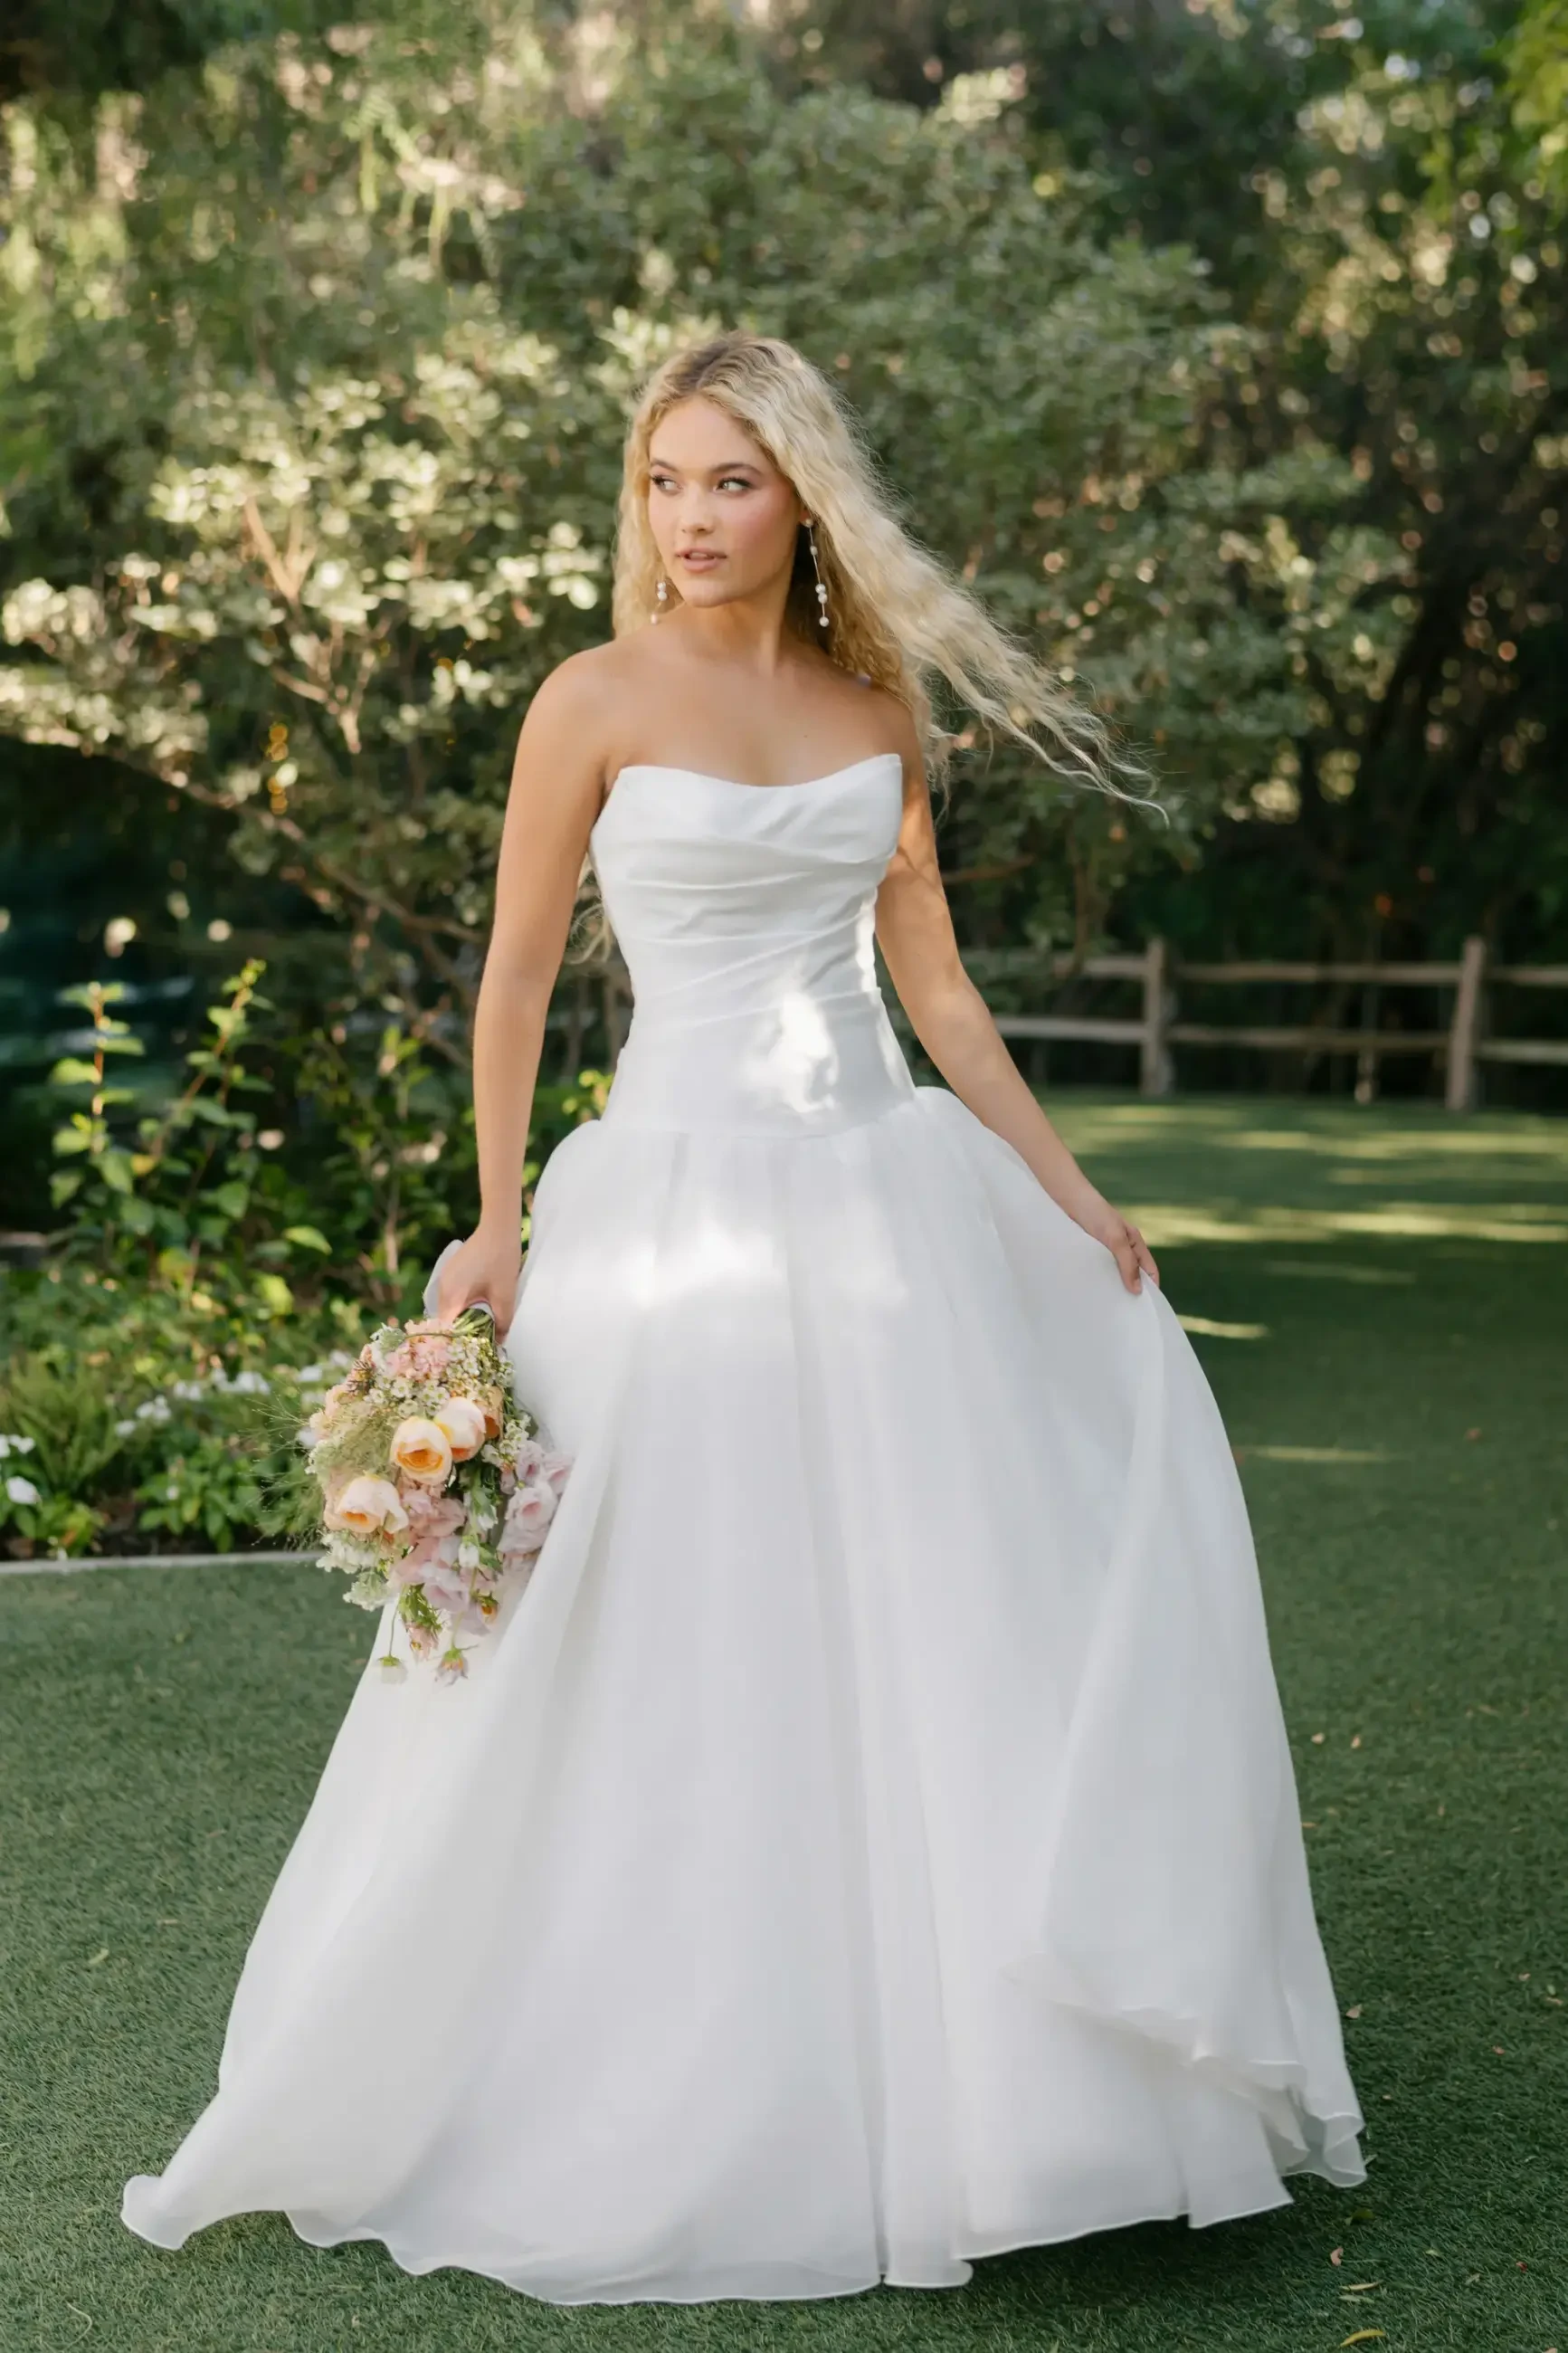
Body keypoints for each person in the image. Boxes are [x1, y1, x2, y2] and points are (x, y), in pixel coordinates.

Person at [123, 332, 1364, 2302]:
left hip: (880, 1201)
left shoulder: (877, 710)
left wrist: (1070, 1193)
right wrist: (495, 1222)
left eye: (730, 480)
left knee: (936, 1627)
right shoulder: (591, 698)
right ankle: (612, 2062)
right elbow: (515, 976)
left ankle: (1002, 2103)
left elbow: (934, 992)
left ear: (801, 499)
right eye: (663, 480)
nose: (689, 517)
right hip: (666, 1206)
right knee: (641, 1639)